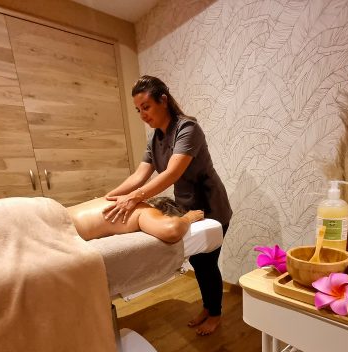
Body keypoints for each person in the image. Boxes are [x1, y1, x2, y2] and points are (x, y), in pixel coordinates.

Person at [102, 75, 232, 335]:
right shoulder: (155, 138)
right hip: (187, 207)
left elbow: (172, 173)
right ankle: (208, 307)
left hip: (212, 207)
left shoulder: (188, 129)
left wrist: (134, 198)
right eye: (138, 110)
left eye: (146, 107)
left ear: (163, 100)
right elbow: (139, 176)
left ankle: (215, 313)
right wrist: (108, 197)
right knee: (198, 263)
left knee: (207, 263)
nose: (143, 115)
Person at [67, 196, 203, 243]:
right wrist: (188, 218)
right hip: (59, 230)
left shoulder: (121, 199)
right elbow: (172, 230)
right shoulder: (145, 210)